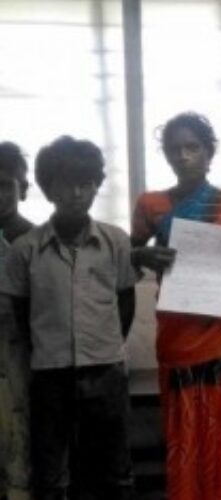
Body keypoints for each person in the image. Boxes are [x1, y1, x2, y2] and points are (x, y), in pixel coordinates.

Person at [130, 113, 221, 500]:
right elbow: (127, 260)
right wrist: (141, 257)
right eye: (174, 149)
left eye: (192, 147)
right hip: (180, 338)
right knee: (191, 443)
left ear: (209, 153)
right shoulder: (151, 205)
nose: (183, 156)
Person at [0, 136, 137, 500]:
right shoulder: (25, 249)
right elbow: (21, 312)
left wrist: (105, 346)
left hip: (106, 371)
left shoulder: (116, 242)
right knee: (52, 474)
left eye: (85, 184)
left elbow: (125, 303)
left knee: (115, 472)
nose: (77, 194)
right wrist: (48, 349)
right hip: (50, 375)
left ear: (96, 186)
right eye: (65, 184)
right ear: (49, 188)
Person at [0, 142, 34, 500]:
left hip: (24, 359)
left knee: (21, 453)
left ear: (22, 189)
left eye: (4, 185)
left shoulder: (37, 241)